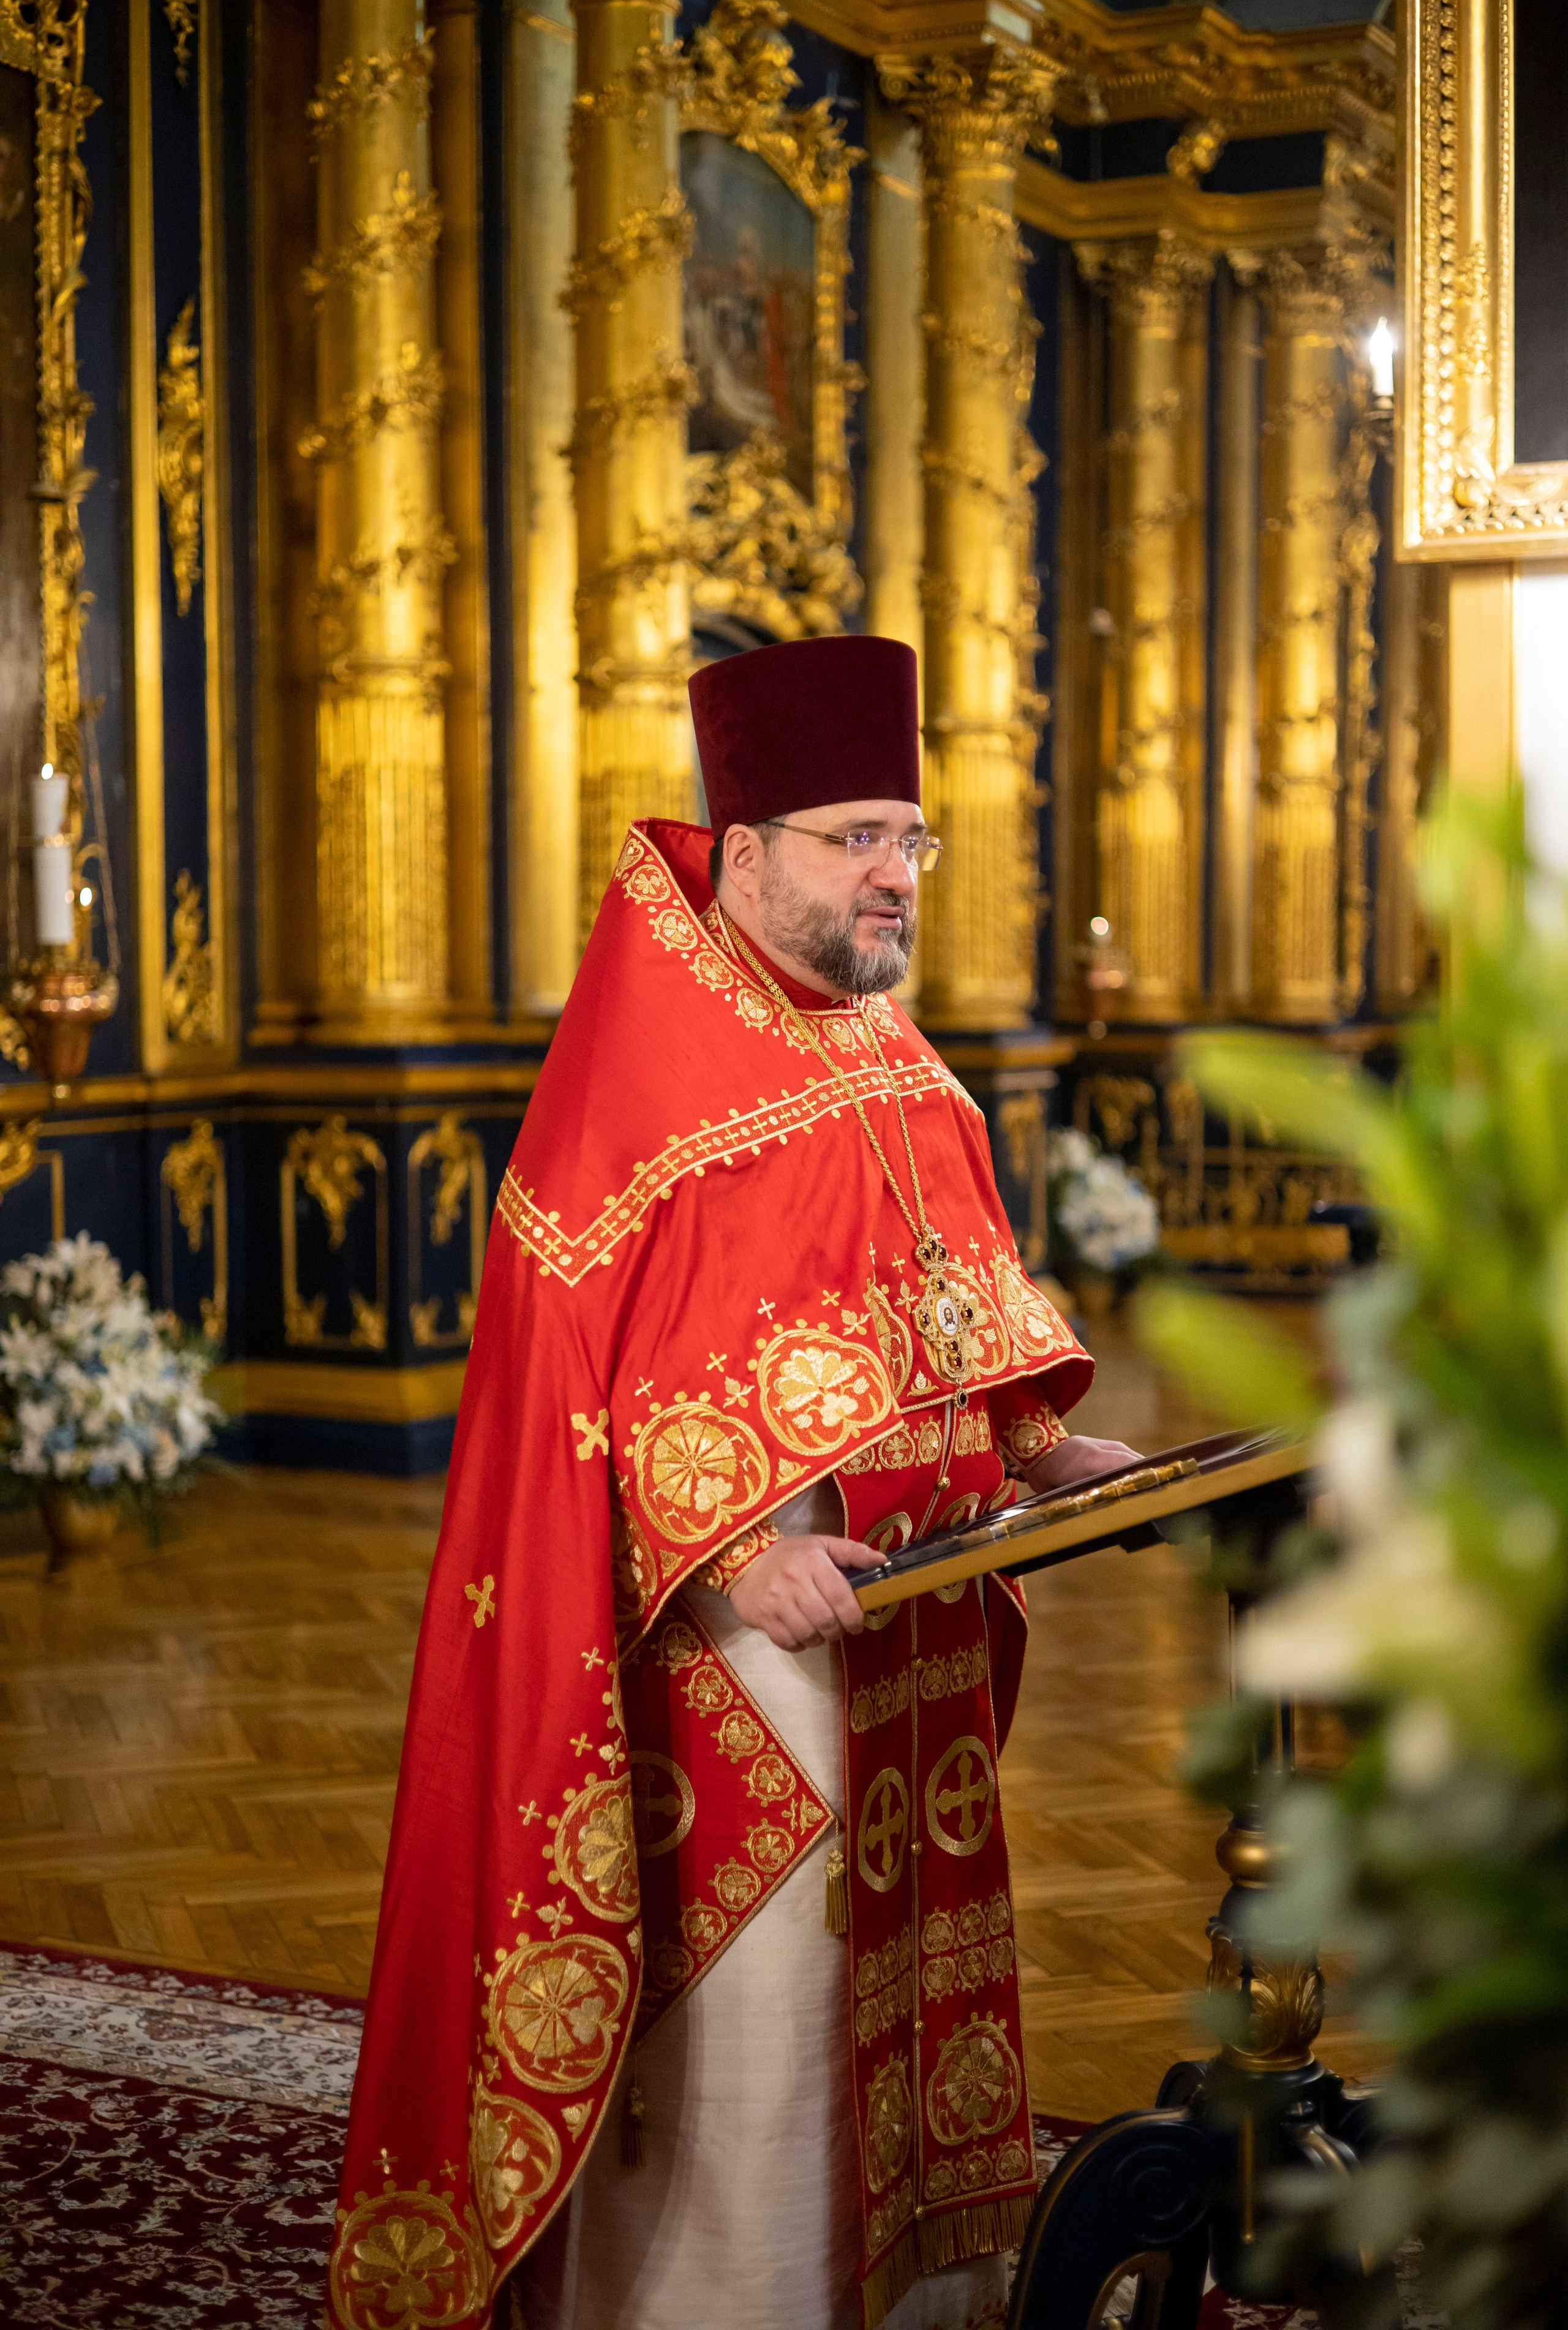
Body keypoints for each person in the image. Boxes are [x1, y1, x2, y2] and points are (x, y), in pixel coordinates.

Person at [325, 636, 1133, 2330]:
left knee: (902, 2025)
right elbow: (569, 1410)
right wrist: (715, 1561)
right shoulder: (644, 1066)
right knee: (765, 2076)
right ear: (744, 849)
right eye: (860, 839)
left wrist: (1042, 1449)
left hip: (908, 1637)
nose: (897, 876)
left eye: (914, 839)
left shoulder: (883, 1043)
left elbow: (941, 1288)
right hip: (742, 1685)